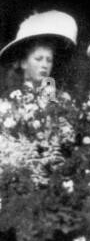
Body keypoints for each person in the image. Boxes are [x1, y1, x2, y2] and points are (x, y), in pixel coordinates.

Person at [0, 10, 79, 151]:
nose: (44, 65)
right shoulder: (8, 101)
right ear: (24, 63)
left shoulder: (59, 100)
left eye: (49, 60)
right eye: (38, 59)